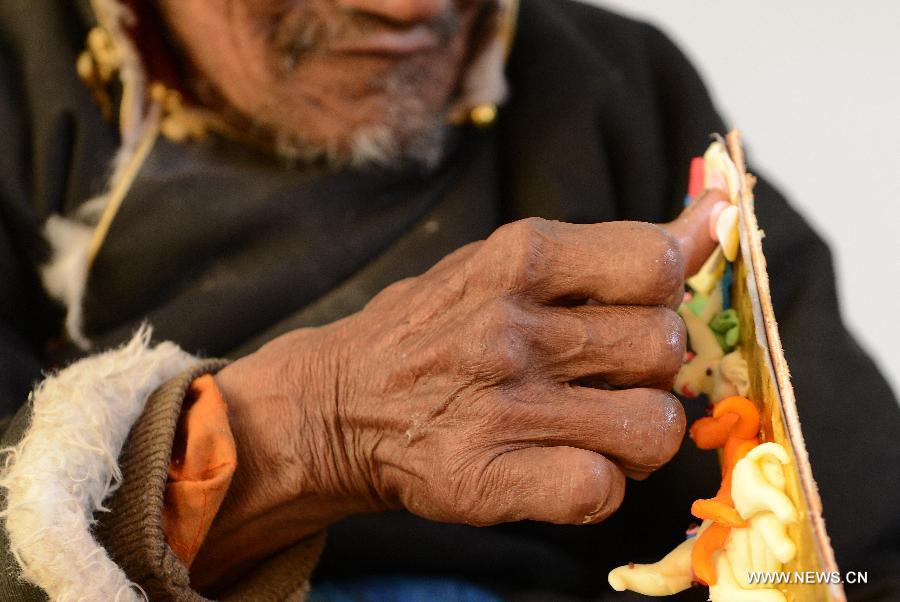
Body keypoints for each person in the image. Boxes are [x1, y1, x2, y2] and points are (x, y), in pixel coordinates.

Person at [0, 0, 897, 600]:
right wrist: (308, 429)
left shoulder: (609, 87)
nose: (409, 10)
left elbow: (859, 550)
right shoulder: (21, 82)